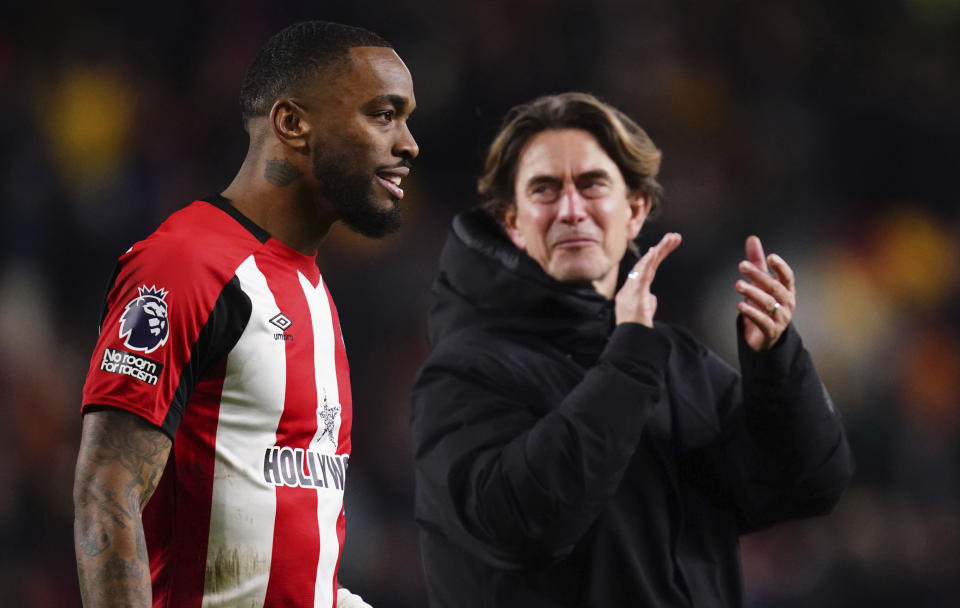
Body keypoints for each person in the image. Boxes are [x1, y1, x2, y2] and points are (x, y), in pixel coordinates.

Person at [410, 92, 853, 607]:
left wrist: (776, 365)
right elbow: (523, 524)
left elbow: (809, 486)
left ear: (635, 211)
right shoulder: (463, 374)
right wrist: (626, 362)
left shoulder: (675, 362)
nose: (571, 209)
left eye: (592, 184)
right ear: (512, 222)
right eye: (544, 189)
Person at [73, 21, 418, 608]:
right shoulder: (186, 264)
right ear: (292, 123)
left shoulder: (310, 289)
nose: (408, 143)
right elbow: (107, 490)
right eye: (383, 115)